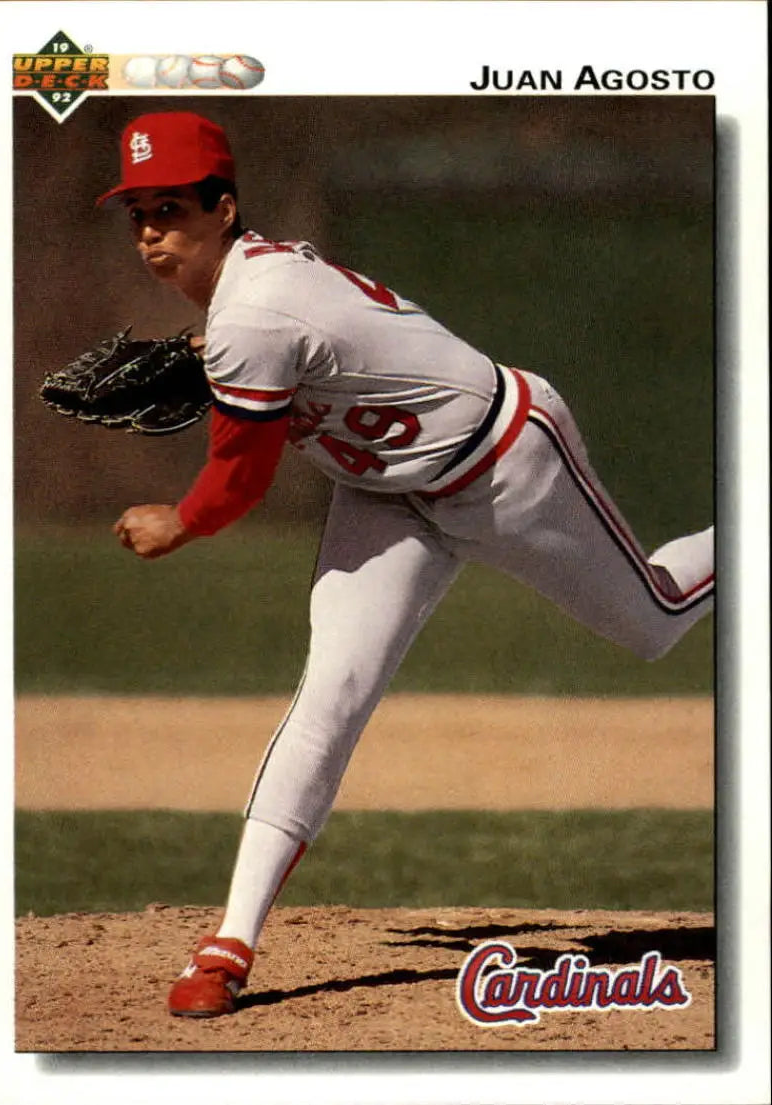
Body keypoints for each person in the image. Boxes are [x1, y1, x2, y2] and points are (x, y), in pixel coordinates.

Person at [102, 111, 714, 1018]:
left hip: (506, 464)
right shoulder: (247, 299)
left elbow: (236, 483)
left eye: (173, 207)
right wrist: (207, 355)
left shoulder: (253, 314)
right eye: (138, 210)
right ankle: (229, 942)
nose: (152, 228)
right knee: (332, 690)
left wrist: (177, 523)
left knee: (656, 621)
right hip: (383, 494)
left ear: (223, 209)